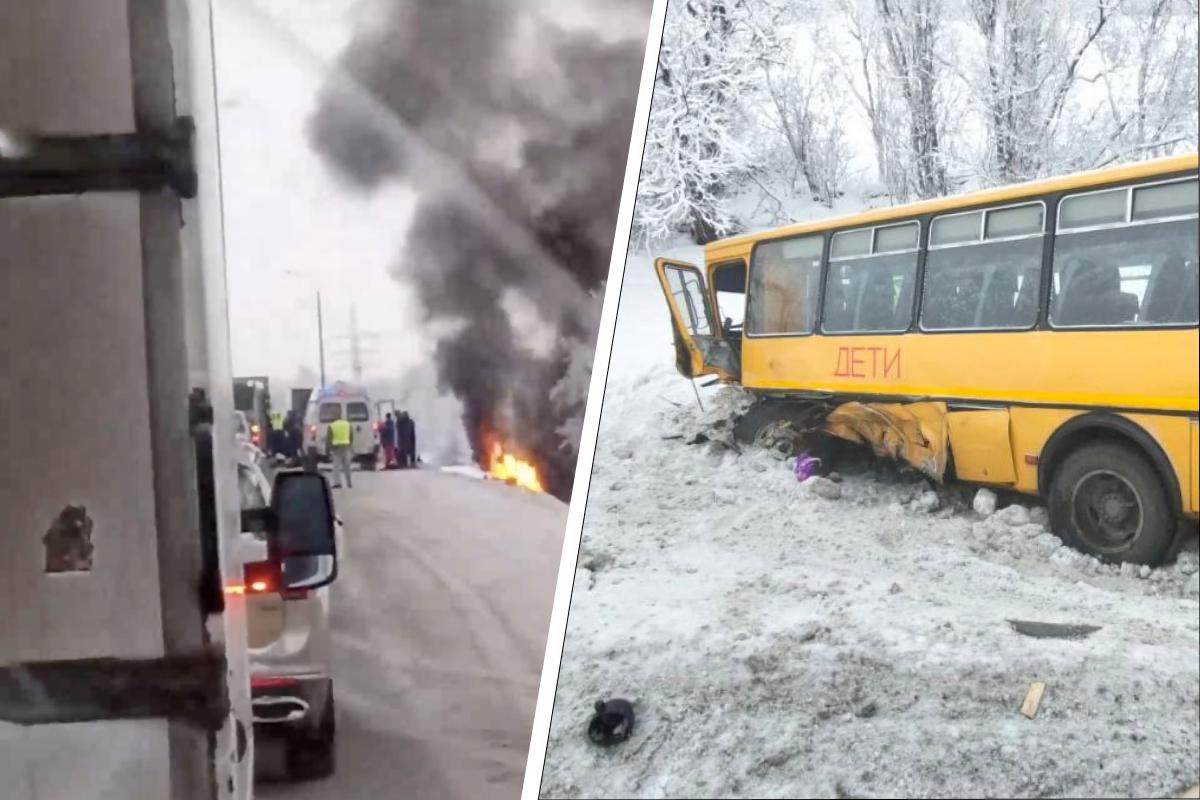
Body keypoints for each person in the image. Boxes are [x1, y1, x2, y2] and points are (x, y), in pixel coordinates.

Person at [326, 410, 353, 488]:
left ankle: (337, 483)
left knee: (336, 466)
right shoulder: (347, 424)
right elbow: (351, 436)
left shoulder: (332, 425)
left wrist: (328, 449)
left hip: (336, 448)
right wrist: (350, 444)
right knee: (347, 466)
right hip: (346, 446)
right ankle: (349, 482)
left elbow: (329, 439)